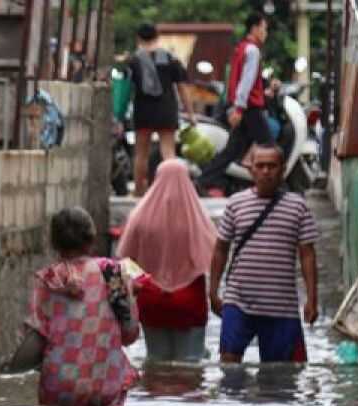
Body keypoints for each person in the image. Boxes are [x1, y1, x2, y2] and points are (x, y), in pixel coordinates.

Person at [2, 207, 140, 406]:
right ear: (91, 238)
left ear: (54, 243)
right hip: (105, 382)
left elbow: (36, 339)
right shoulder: (113, 273)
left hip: (58, 386)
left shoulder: (46, 279)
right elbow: (129, 333)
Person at [209, 145, 319, 363]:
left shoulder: (298, 207)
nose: (266, 171)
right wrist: (212, 292)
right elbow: (221, 249)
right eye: (260, 166)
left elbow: (307, 255)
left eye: (272, 166)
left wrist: (312, 300)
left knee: (278, 376)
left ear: (283, 169)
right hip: (237, 301)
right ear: (251, 170)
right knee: (229, 368)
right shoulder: (235, 204)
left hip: (281, 306)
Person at [116, 159, 217, 362]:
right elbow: (214, 257)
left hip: (152, 298)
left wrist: (144, 284)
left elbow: (125, 262)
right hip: (189, 298)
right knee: (191, 363)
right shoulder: (196, 217)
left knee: (155, 361)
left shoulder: (139, 217)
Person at [196, 12, 274, 194]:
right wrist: (238, 108)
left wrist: (236, 106)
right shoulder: (253, 50)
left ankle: (203, 180)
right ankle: (277, 187)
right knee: (270, 146)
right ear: (255, 28)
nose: (265, 32)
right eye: (264, 28)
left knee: (232, 151)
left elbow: (237, 80)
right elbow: (246, 82)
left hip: (243, 106)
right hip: (250, 108)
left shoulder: (241, 48)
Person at [127, 22, 195, 196]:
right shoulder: (170, 59)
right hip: (166, 109)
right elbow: (182, 88)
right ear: (157, 37)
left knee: (141, 154)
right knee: (168, 152)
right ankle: (170, 190)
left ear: (139, 38)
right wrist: (190, 113)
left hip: (143, 110)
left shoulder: (134, 60)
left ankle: (139, 191)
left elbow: (126, 88)